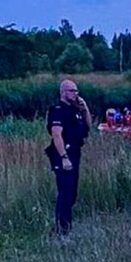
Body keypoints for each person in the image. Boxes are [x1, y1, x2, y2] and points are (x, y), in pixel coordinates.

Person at [46, 78, 92, 238]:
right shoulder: (57, 110)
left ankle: (65, 226)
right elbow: (57, 135)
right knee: (65, 191)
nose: (75, 94)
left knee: (72, 193)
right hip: (63, 153)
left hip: (75, 152)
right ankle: (62, 230)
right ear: (63, 92)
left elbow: (88, 127)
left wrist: (84, 108)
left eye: (77, 91)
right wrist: (64, 157)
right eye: (72, 91)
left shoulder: (75, 110)